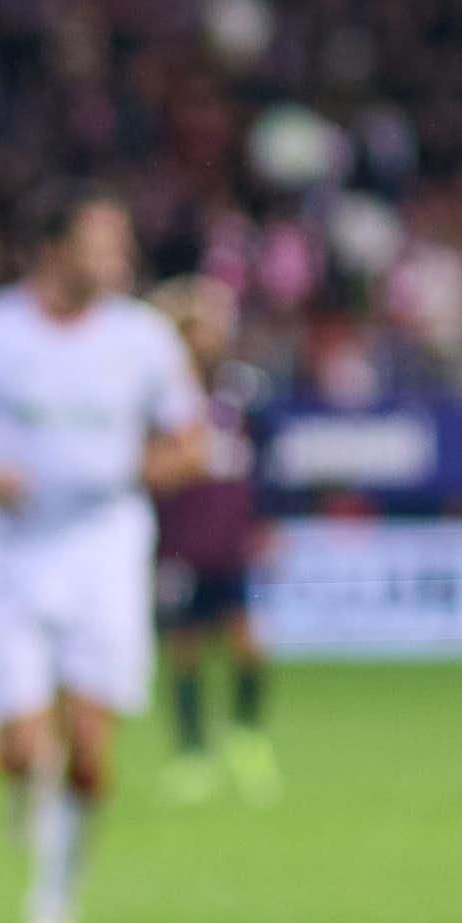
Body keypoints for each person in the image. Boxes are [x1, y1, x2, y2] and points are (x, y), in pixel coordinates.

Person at [0, 189, 209, 923]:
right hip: (8, 552)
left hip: (104, 549)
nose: (119, 262)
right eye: (103, 245)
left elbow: (193, 442)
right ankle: (20, 786)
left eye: (122, 246)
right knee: (20, 749)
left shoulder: (144, 339)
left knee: (92, 755)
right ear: (54, 250)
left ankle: (55, 911)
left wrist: (138, 470)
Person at [146, 274, 279, 807]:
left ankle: (247, 738)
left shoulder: (244, 390)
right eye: (202, 325)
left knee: (247, 641)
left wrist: (267, 520)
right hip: (180, 538)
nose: (214, 334)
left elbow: (268, 462)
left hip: (230, 539)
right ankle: (191, 754)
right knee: (185, 648)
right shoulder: (161, 395)